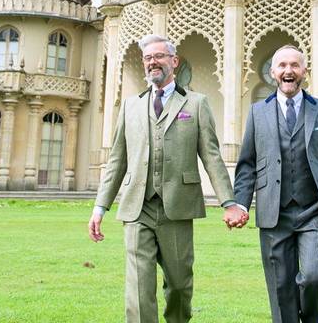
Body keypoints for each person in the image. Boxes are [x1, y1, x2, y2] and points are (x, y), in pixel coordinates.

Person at [89, 34, 244, 323]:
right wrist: (100, 207)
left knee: (179, 285)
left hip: (178, 207)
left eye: (159, 56)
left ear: (174, 61)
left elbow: (211, 156)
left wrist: (229, 202)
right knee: (138, 286)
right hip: (138, 207)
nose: (152, 62)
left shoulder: (196, 104)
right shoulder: (130, 106)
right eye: (148, 58)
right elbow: (117, 161)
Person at [231, 44, 318, 323]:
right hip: (273, 212)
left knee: (313, 276)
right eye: (282, 66)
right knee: (281, 289)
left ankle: (313, 316)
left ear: (304, 71)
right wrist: (240, 204)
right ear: (273, 72)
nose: (288, 71)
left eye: (294, 65)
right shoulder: (257, 113)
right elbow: (247, 164)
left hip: (313, 210)